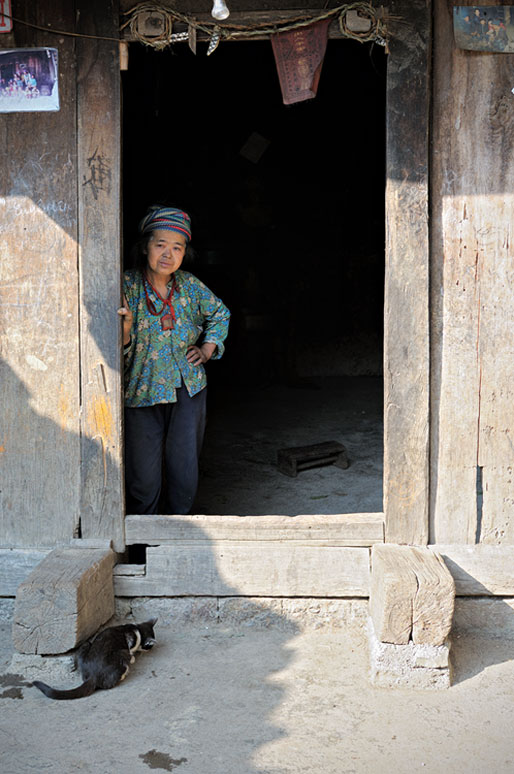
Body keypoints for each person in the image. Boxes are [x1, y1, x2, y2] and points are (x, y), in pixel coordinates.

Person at [118, 205, 230, 515]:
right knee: (143, 476)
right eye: (160, 245)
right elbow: (113, 341)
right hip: (141, 392)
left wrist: (208, 348)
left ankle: (180, 529)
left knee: (184, 467)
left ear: (184, 253)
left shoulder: (191, 286)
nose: (168, 254)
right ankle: (143, 541)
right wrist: (125, 333)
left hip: (187, 389)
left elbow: (220, 313)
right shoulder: (126, 285)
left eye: (177, 247)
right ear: (145, 248)